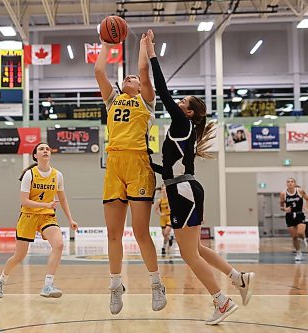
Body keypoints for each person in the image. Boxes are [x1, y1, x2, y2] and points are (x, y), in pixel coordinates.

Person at [145, 29, 254, 325]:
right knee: (197, 249)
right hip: (184, 188)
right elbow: (170, 169)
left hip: (183, 193)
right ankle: (238, 278)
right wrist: (148, 161)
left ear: (189, 112)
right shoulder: (183, 130)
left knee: (189, 255)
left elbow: (163, 92)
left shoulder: (181, 122)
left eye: (183, 101)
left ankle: (221, 301)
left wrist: (151, 53)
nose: (178, 102)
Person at [95, 33, 167, 315]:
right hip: (114, 164)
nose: (129, 79)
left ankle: (156, 283)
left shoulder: (147, 102)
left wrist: (141, 47)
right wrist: (106, 44)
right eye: (125, 78)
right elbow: (99, 70)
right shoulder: (112, 100)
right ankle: (115, 287)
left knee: (140, 232)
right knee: (113, 233)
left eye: (132, 79)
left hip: (138, 165)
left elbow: (145, 73)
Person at [0, 142, 78, 298]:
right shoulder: (29, 174)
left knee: (59, 244)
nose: (45, 150)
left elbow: (63, 199)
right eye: (41, 149)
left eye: (47, 149)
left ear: (50, 154)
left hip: (47, 216)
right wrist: (46, 204)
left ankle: (48, 285)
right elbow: (24, 201)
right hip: (28, 216)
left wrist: (71, 219)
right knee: (19, 256)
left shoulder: (57, 175)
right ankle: (1, 281)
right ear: (35, 155)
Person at [280, 178, 308, 261]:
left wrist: (306, 207)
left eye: (292, 182)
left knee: (300, 232)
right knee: (294, 237)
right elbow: (281, 206)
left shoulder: (300, 191)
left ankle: (304, 239)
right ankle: (298, 253)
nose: (290, 183)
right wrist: (285, 209)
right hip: (289, 216)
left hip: (299, 214)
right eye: (288, 182)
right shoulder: (283, 193)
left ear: (294, 183)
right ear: (286, 184)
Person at [154, 186, 173, 255]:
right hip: (163, 218)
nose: (164, 191)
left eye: (165, 190)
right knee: (164, 235)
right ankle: (170, 239)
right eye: (163, 190)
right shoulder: (159, 200)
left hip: (169, 217)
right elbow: (156, 210)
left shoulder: (170, 199)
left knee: (166, 232)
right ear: (161, 191)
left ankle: (163, 247)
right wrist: (160, 214)